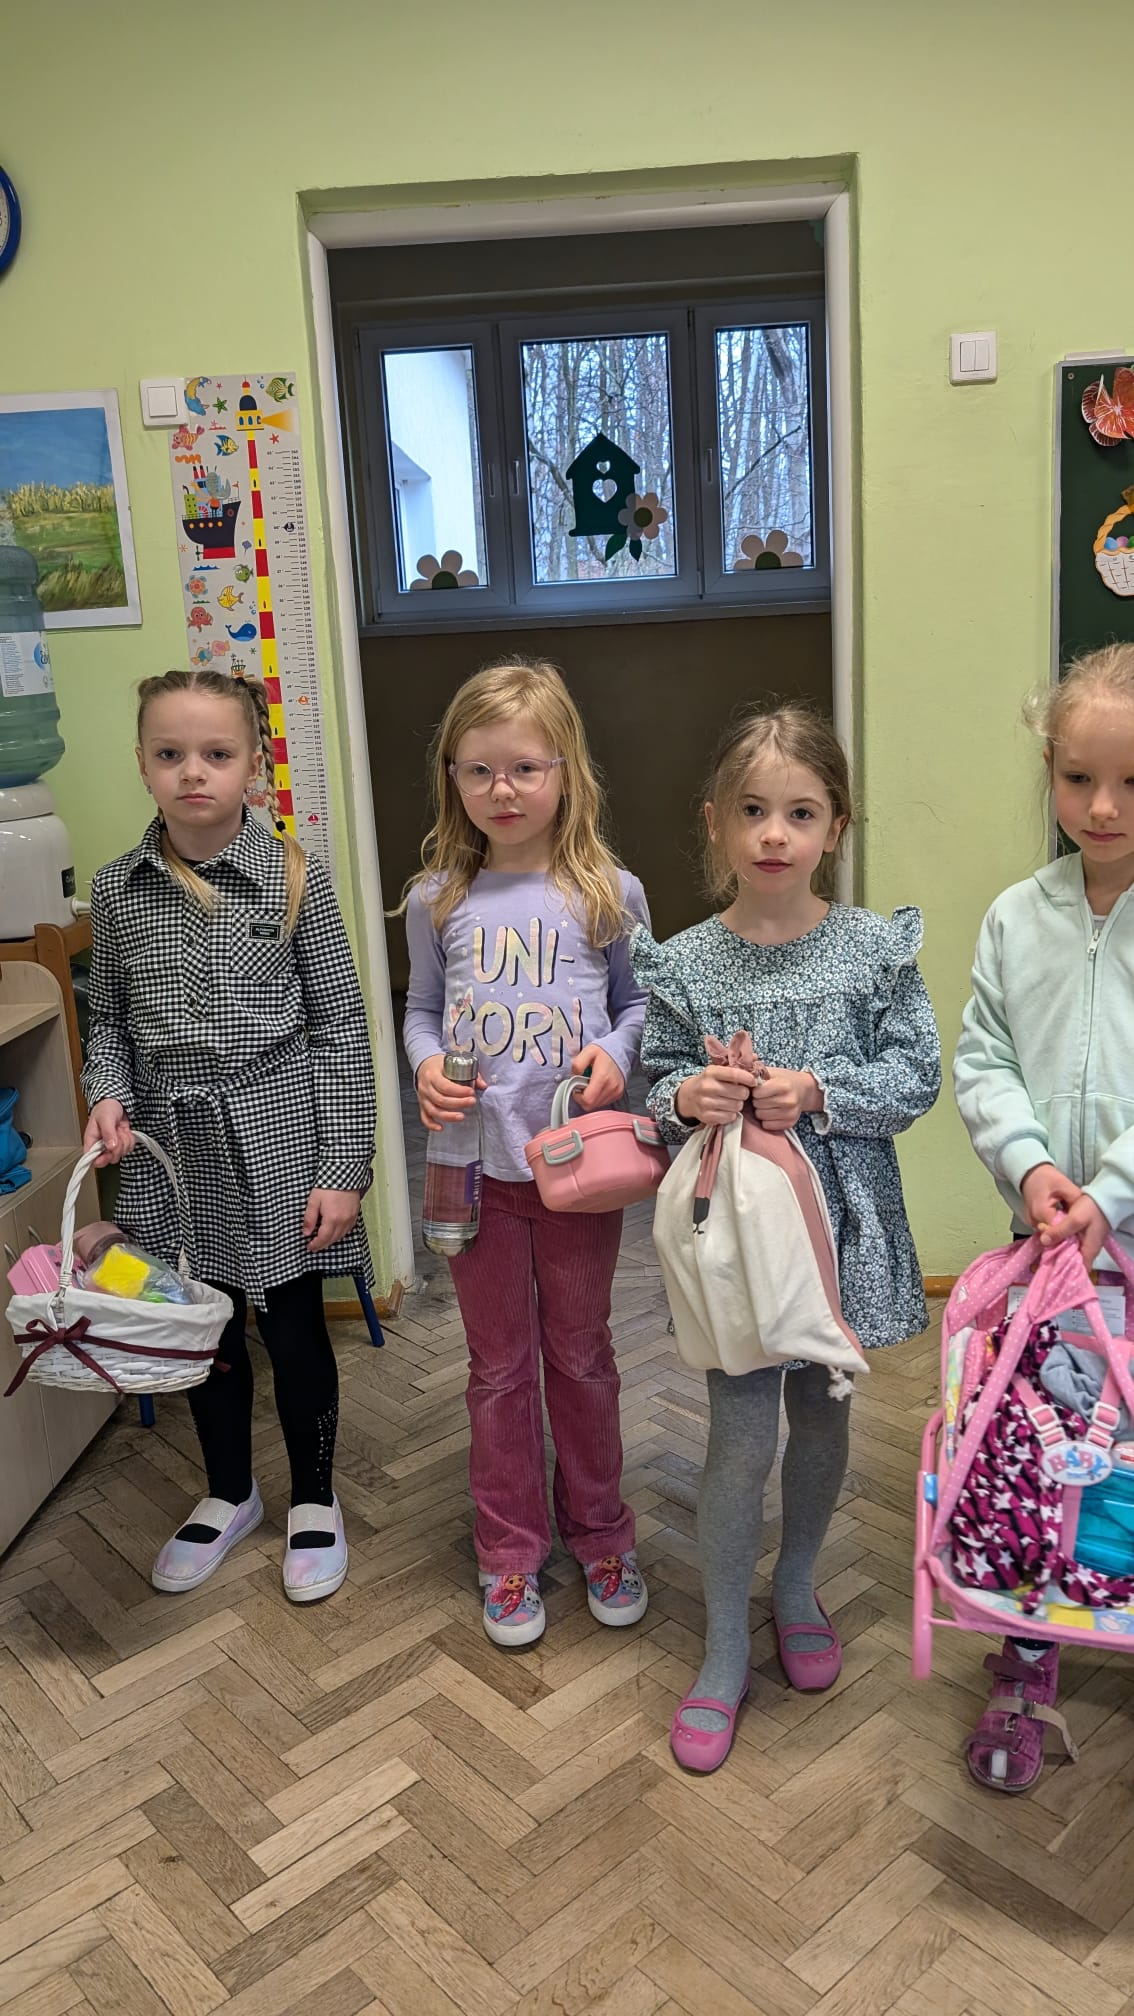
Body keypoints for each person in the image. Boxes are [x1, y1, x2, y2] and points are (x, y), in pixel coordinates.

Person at [633, 703, 940, 1771]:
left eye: (800, 813)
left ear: (835, 826)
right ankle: (723, 1645)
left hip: (840, 1226)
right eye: (753, 811)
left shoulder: (873, 950)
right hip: (737, 1236)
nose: (775, 833)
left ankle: (798, 1584)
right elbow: (650, 1087)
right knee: (738, 1430)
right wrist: (689, 1095)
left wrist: (819, 1090)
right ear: (716, 824)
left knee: (820, 1411)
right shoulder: (684, 961)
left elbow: (915, 1078)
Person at [82, 667, 376, 1604]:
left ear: (255, 763)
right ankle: (230, 1491)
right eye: (170, 753)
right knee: (197, 1330)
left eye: (216, 753)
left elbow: (340, 1028)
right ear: (142, 764)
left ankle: (314, 1496)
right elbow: (108, 1021)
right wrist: (106, 1093)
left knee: (291, 1329)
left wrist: (344, 1166)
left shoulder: (294, 877)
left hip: (278, 1139)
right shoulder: (116, 890)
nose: (192, 772)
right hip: (171, 1151)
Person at [403, 658, 650, 1648]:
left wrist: (616, 1053)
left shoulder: (608, 892)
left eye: (524, 768)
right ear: (453, 779)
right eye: (479, 770)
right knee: (498, 1370)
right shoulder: (437, 899)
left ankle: (601, 1532)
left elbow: (638, 1004)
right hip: (472, 1176)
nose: (501, 789)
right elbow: (422, 1013)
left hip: (576, 1174)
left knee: (582, 1358)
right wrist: (425, 1064)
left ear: (565, 772)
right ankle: (509, 1549)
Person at [955, 642, 1134, 1790]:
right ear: (1049, 772)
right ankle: (1027, 1655)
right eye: (1079, 778)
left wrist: (1112, 1193)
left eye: (1132, 782)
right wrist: (1030, 1172)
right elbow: (986, 1059)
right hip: (1053, 1256)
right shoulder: (1017, 918)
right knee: (1046, 1452)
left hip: (1123, 1231)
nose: (1102, 806)